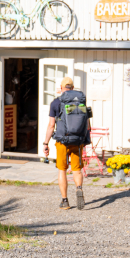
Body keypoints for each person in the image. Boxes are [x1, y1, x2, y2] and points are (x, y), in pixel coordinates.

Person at [42, 77, 90, 210]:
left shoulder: (56, 103)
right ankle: (79, 188)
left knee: (62, 170)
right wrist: (84, 139)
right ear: (73, 88)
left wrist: (45, 143)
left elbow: (51, 125)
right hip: (77, 140)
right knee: (77, 169)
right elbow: (87, 123)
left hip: (62, 141)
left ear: (61, 88)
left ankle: (65, 201)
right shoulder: (81, 102)